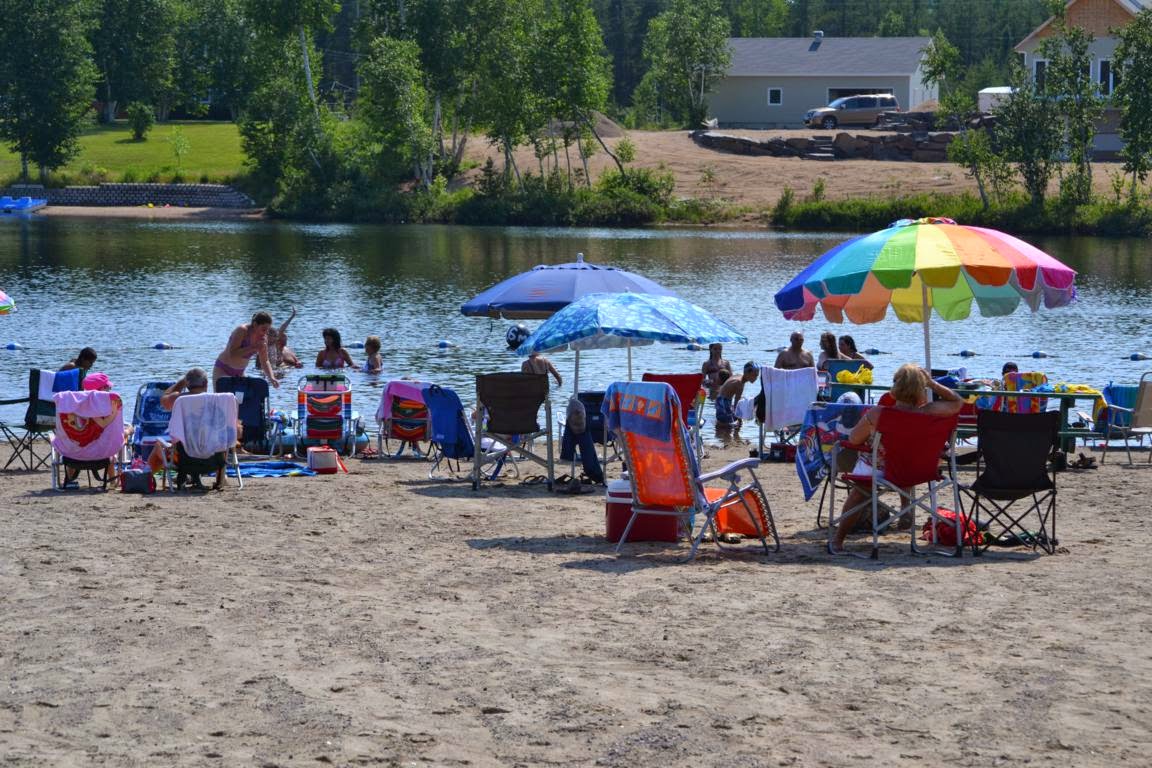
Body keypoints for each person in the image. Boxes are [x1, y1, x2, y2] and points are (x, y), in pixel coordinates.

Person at [828, 364, 963, 555]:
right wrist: (933, 383)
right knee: (904, 455)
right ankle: (905, 507)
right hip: (920, 471)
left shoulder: (878, 413)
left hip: (881, 472)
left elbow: (853, 439)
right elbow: (957, 401)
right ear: (921, 388)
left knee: (861, 486)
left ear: (896, 386)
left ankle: (838, 540)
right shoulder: (932, 412)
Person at [156, 367, 228, 490]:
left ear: (188, 384)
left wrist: (181, 382)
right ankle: (219, 480)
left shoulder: (179, 399)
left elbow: (164, 398)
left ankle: (146, 475)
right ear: (206, 383)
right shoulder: (218, 400)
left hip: (186, 462)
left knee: (160, 444)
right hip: (213, 462)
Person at [59, 372, 124, 488]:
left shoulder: (74, 404)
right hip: (101, 456)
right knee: (108, 440)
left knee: (76, 441)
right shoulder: (100, 407)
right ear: (102, 389)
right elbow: (104, 425)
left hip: (72, 456)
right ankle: (112, 481)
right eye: (108, 387)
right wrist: (128, 430)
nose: (109, 390)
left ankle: (69, 479)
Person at [215, 311, 279, 390]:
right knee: (221, 400)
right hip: (223, 369)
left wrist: (271, 377)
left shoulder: (263, 338)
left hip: (240, 373)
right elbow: (232, 354)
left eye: (267, 330)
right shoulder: (242, 331)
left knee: (244, 400)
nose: (265, 333)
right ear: (255, 325)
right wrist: (253, 347)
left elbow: (265, 361)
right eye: (263, 329)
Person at [716, 362, 759, 427]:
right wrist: (740, 420)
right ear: (746, 373)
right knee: (730, 425)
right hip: (723, 402)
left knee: (727, 421)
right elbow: (737, 404)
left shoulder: (739, 376)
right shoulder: (739, 383)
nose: (756, 378)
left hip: (720, 399)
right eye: (754, 375)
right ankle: (725, 434)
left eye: (757, 375)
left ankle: (721, 429)